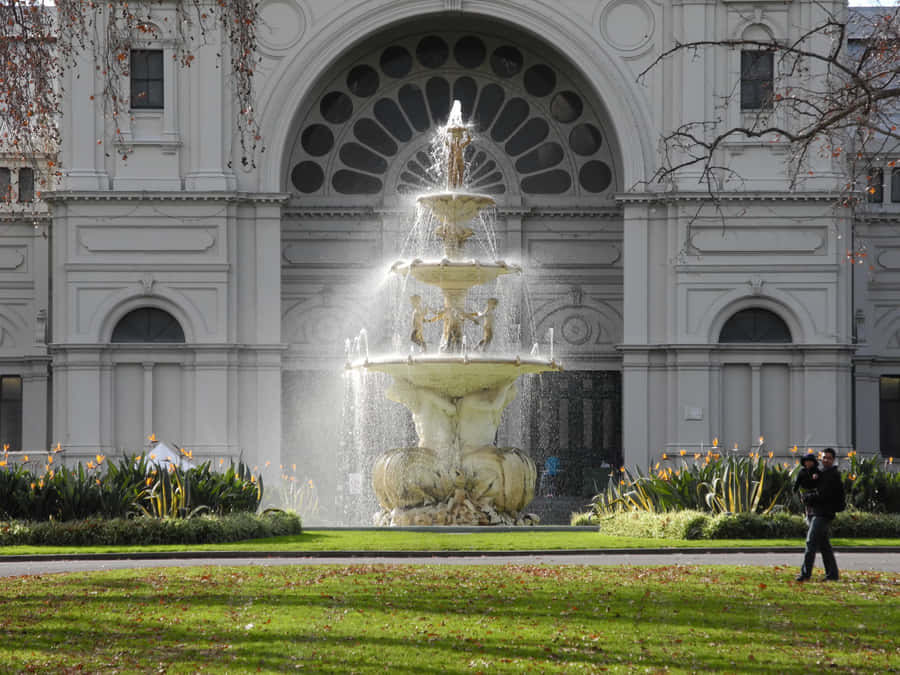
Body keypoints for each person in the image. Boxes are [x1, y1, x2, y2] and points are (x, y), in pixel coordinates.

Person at [795, 448, 843, 582]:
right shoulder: (821, 473)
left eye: (829, 458)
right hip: (817, 511)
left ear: (833, 460)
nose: (826, 460)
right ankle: (832, 575)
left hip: (823, 513)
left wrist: (807, 497)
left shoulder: (833, 475)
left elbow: (823, 494)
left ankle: (805, 574)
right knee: (824, 545)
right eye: (824, 457)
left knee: (811, 542)